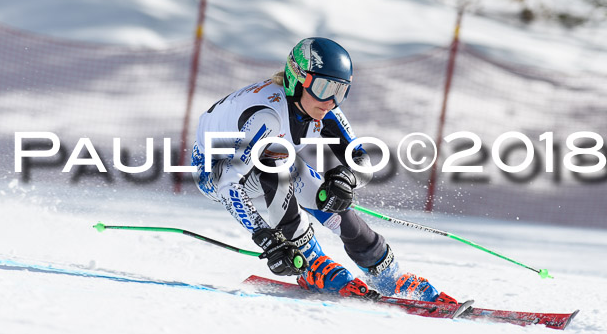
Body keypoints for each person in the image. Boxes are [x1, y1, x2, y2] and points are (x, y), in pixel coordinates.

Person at [191, 37, 457, 303]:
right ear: (298, 78)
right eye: (323, 87)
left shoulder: (323, 107)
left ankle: (388, 274)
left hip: (269, 157)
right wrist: (267, 239)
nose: (331, 100)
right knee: (275, 162)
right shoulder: (266, 116)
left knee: (329, 197)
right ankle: (312, 262)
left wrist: (345, 179)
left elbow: (361, 162)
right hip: (214, 173)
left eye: (340, 91)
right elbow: (228, 184)